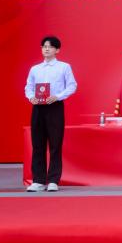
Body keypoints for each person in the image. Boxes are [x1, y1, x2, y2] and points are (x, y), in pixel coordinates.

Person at [23, 35, 77, 192]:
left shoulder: (64, 67)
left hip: (55, 106)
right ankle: (38, 180)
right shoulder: (35, 69)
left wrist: (58, 96)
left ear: (57, 50)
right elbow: (28, 86)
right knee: (37, 144)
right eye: (44, 46)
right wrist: (31, 97)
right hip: (38, 107)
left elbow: (72, 86)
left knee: (55, 144)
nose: (46, 49)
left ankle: (53, 180)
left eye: (50, 46)